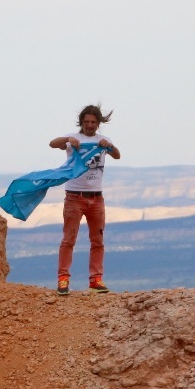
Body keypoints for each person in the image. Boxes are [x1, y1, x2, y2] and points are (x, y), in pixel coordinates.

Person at [50, 104, 121, 295]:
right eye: (87, 121)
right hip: (74, 196)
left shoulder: (103, 140)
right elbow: (52, 143)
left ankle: (96, 280)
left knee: (97, 240)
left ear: (98, 124)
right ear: (81, 121)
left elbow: (117, 155)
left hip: (97, 198)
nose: (90, 125)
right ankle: (63, 279)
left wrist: (110, 147)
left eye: (93, 122)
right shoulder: (73, 139)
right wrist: (67, 139)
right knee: (69, 239)